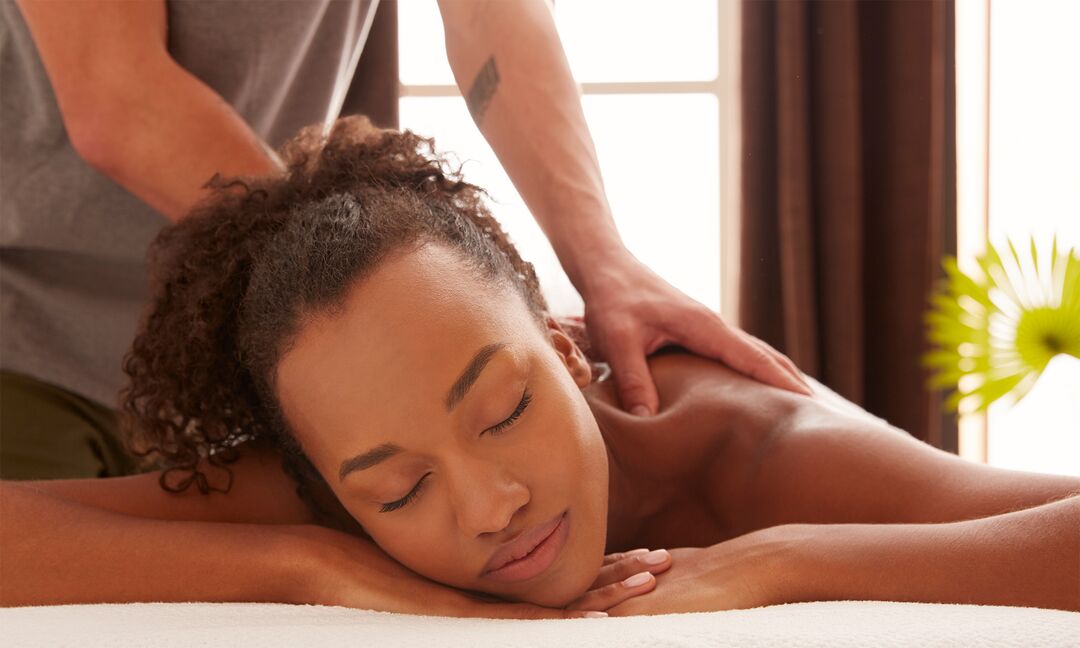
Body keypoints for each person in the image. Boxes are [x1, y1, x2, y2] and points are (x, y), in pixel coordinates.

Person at [2, 120, 1078, 615]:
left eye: (507, 409)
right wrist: (309, 566)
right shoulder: (339, 476)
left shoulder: (748, 454)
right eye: (400, 490)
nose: (489, 504)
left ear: (562, 350)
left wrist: (790, 560)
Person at [0, 0, 807, 481]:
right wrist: (370, 282)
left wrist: (604, 259)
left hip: (241, 346)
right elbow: (116, 97)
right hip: (25, 329)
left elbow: (494, 20)